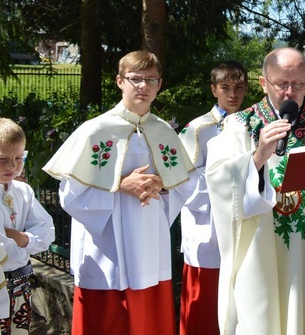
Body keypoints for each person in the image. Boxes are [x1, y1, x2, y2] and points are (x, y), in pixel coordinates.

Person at [206, 47, 305, 335]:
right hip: (262, 249)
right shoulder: (239, 126)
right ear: (263, 82)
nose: (290, 92)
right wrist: (256, 157)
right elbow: (218, 180)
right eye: (282, 83)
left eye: (299, 84)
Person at [42, 51, 196, 335]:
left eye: (150, 79)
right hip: (108, 244)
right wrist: (119, 185)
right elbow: (69, 193)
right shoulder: (96, 130)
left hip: (150, 242)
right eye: (135, 79)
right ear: (119, 81)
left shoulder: (164, 132)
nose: (143, 86)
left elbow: (184, 186)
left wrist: (161, 184)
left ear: (160, 84)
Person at [178, 60, 248, 335]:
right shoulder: (197, 129)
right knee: (204, 304)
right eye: (225, 87)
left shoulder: (252, 124)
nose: (233, 94)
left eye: (239, 87)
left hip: (243, 222)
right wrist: (227, 184)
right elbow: (184, 182)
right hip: (206, 227)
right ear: (213, 89)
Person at [0, 118, 54, 335]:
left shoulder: (24, 191)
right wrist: (22, 242)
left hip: (21, 284)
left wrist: (22, 238)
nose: (12, 166)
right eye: (2, 159)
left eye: (18, 158)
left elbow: (47, 230)